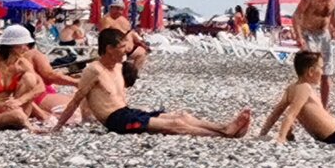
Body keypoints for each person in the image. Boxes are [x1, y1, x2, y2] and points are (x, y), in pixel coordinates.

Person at [51, 29, 251, 137]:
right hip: (116, 121)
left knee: (182, 115)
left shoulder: (119, 67)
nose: (125, 50)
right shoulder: (93, 70)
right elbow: (77, 100)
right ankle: (224, 133)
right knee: (174, 125)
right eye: (121, 47)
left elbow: (119, 96)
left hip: (127, 112)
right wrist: (56, 128)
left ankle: (224, 127)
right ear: (109, 48)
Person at [291, 0, 335, 110]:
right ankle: (303, 103)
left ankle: (324, 107)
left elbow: (333, 16)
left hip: (324, 34)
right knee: (309, 69)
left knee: (326, 71)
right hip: (308, 33)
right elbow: (297, 15)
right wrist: (299, 37)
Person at [0, 25, 50, 130]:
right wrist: (4, 105)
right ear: (12, 46)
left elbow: (41, 87)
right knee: (17, 115)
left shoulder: (23, 63)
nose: (26, 48)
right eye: (23, 45)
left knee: (30, 78)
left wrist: (20, 101)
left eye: (27, 45)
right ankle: (27, 125)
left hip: (15, 108)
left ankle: (22, 119)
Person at [24, 42, 81, 114]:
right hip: (35, 95)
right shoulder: (32, 54)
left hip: (22, 97)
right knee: (77, 112)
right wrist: (76, 82)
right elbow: (49, 76)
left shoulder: (10, 60)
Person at [99, 0, 149, 71]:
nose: (119, 11)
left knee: (141, 53)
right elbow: (104, 37)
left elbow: (131, 33)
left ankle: (133, 73)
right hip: (116, 49)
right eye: (117, 8)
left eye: (121, 9)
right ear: (111, 8)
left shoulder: (124, 20)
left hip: (128, 48)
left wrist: (141, 43)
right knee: (119, 63)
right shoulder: (106, 20)